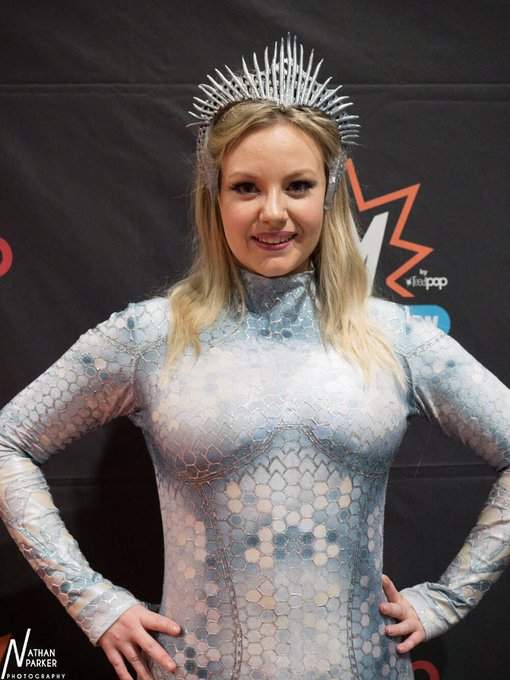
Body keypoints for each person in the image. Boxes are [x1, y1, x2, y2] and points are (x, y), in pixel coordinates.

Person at [0, 35, 509, 680]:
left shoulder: (394, 338)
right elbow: (8, 444)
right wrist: (92, 601)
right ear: (214, 196)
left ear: (329, 193)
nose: (274, 213)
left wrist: (446, 600)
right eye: (246, 187)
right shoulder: (149, 336)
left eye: (298, 185)